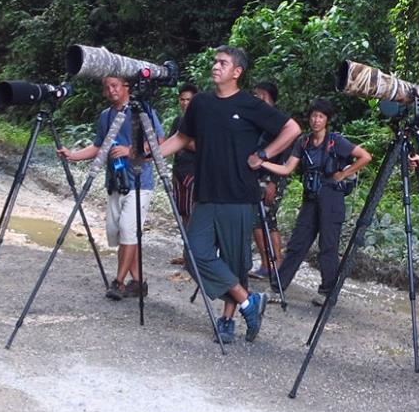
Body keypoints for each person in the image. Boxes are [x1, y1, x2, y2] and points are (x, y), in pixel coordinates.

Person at [155, 47, 300, 343]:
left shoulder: (250, 104)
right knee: (194, 255)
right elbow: (183, 137)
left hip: (239, 196)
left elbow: (292, 128)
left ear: (237, 72)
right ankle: (249, 302)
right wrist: (152, 154)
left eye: (223, 63)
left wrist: (264, 154)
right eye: (215, 62)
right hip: (206, 195)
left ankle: (227, 319)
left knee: (235, 262)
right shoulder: (201, 103)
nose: (215, 66)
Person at [60, 74, 161, 301]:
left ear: (126, 87)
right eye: (107, 87)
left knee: (127, 229)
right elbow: (99, 146)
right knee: (118, 232)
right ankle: (138, 281)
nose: (111, 90)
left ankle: (119, 282)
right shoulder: (106, 116)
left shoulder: (141, 111)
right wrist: (73, 155)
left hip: (138, 181)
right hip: (115, 182)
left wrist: (130, 150)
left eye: (115, 85)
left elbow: (158, 143)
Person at [262, 98, 371, 299]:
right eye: (313, 116)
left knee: (328, 247)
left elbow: (365, 156)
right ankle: (277, 288)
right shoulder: (303, 141)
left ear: (326, 120)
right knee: (297, 244)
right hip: (310, 198)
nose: (316, 120)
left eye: (320, 116)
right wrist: (263, 163)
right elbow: (287, 168)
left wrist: (344, 174)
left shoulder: (336, 141)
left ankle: (327, 293)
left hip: (331, 198)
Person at [249, 80, 285, 280]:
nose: (257, 99)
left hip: (272, 177)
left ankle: (275, 263)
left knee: (265, 220)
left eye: (261, 95)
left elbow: (285, 155)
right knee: (260, 221)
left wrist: (274, 181)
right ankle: (267, 264)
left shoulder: (278, 120)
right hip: (257, 175)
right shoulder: (258, 118)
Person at [170, 83, 199, 225]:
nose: (185, 103)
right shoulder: (178, 121)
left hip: (194, 173)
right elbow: (170, 145)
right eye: (182, 99)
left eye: (189, 100)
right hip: (178, 172)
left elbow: (201, 147)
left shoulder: (201, 121)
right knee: (181, 211)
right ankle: (186, 244)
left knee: (194, 212)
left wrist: (181, 141)